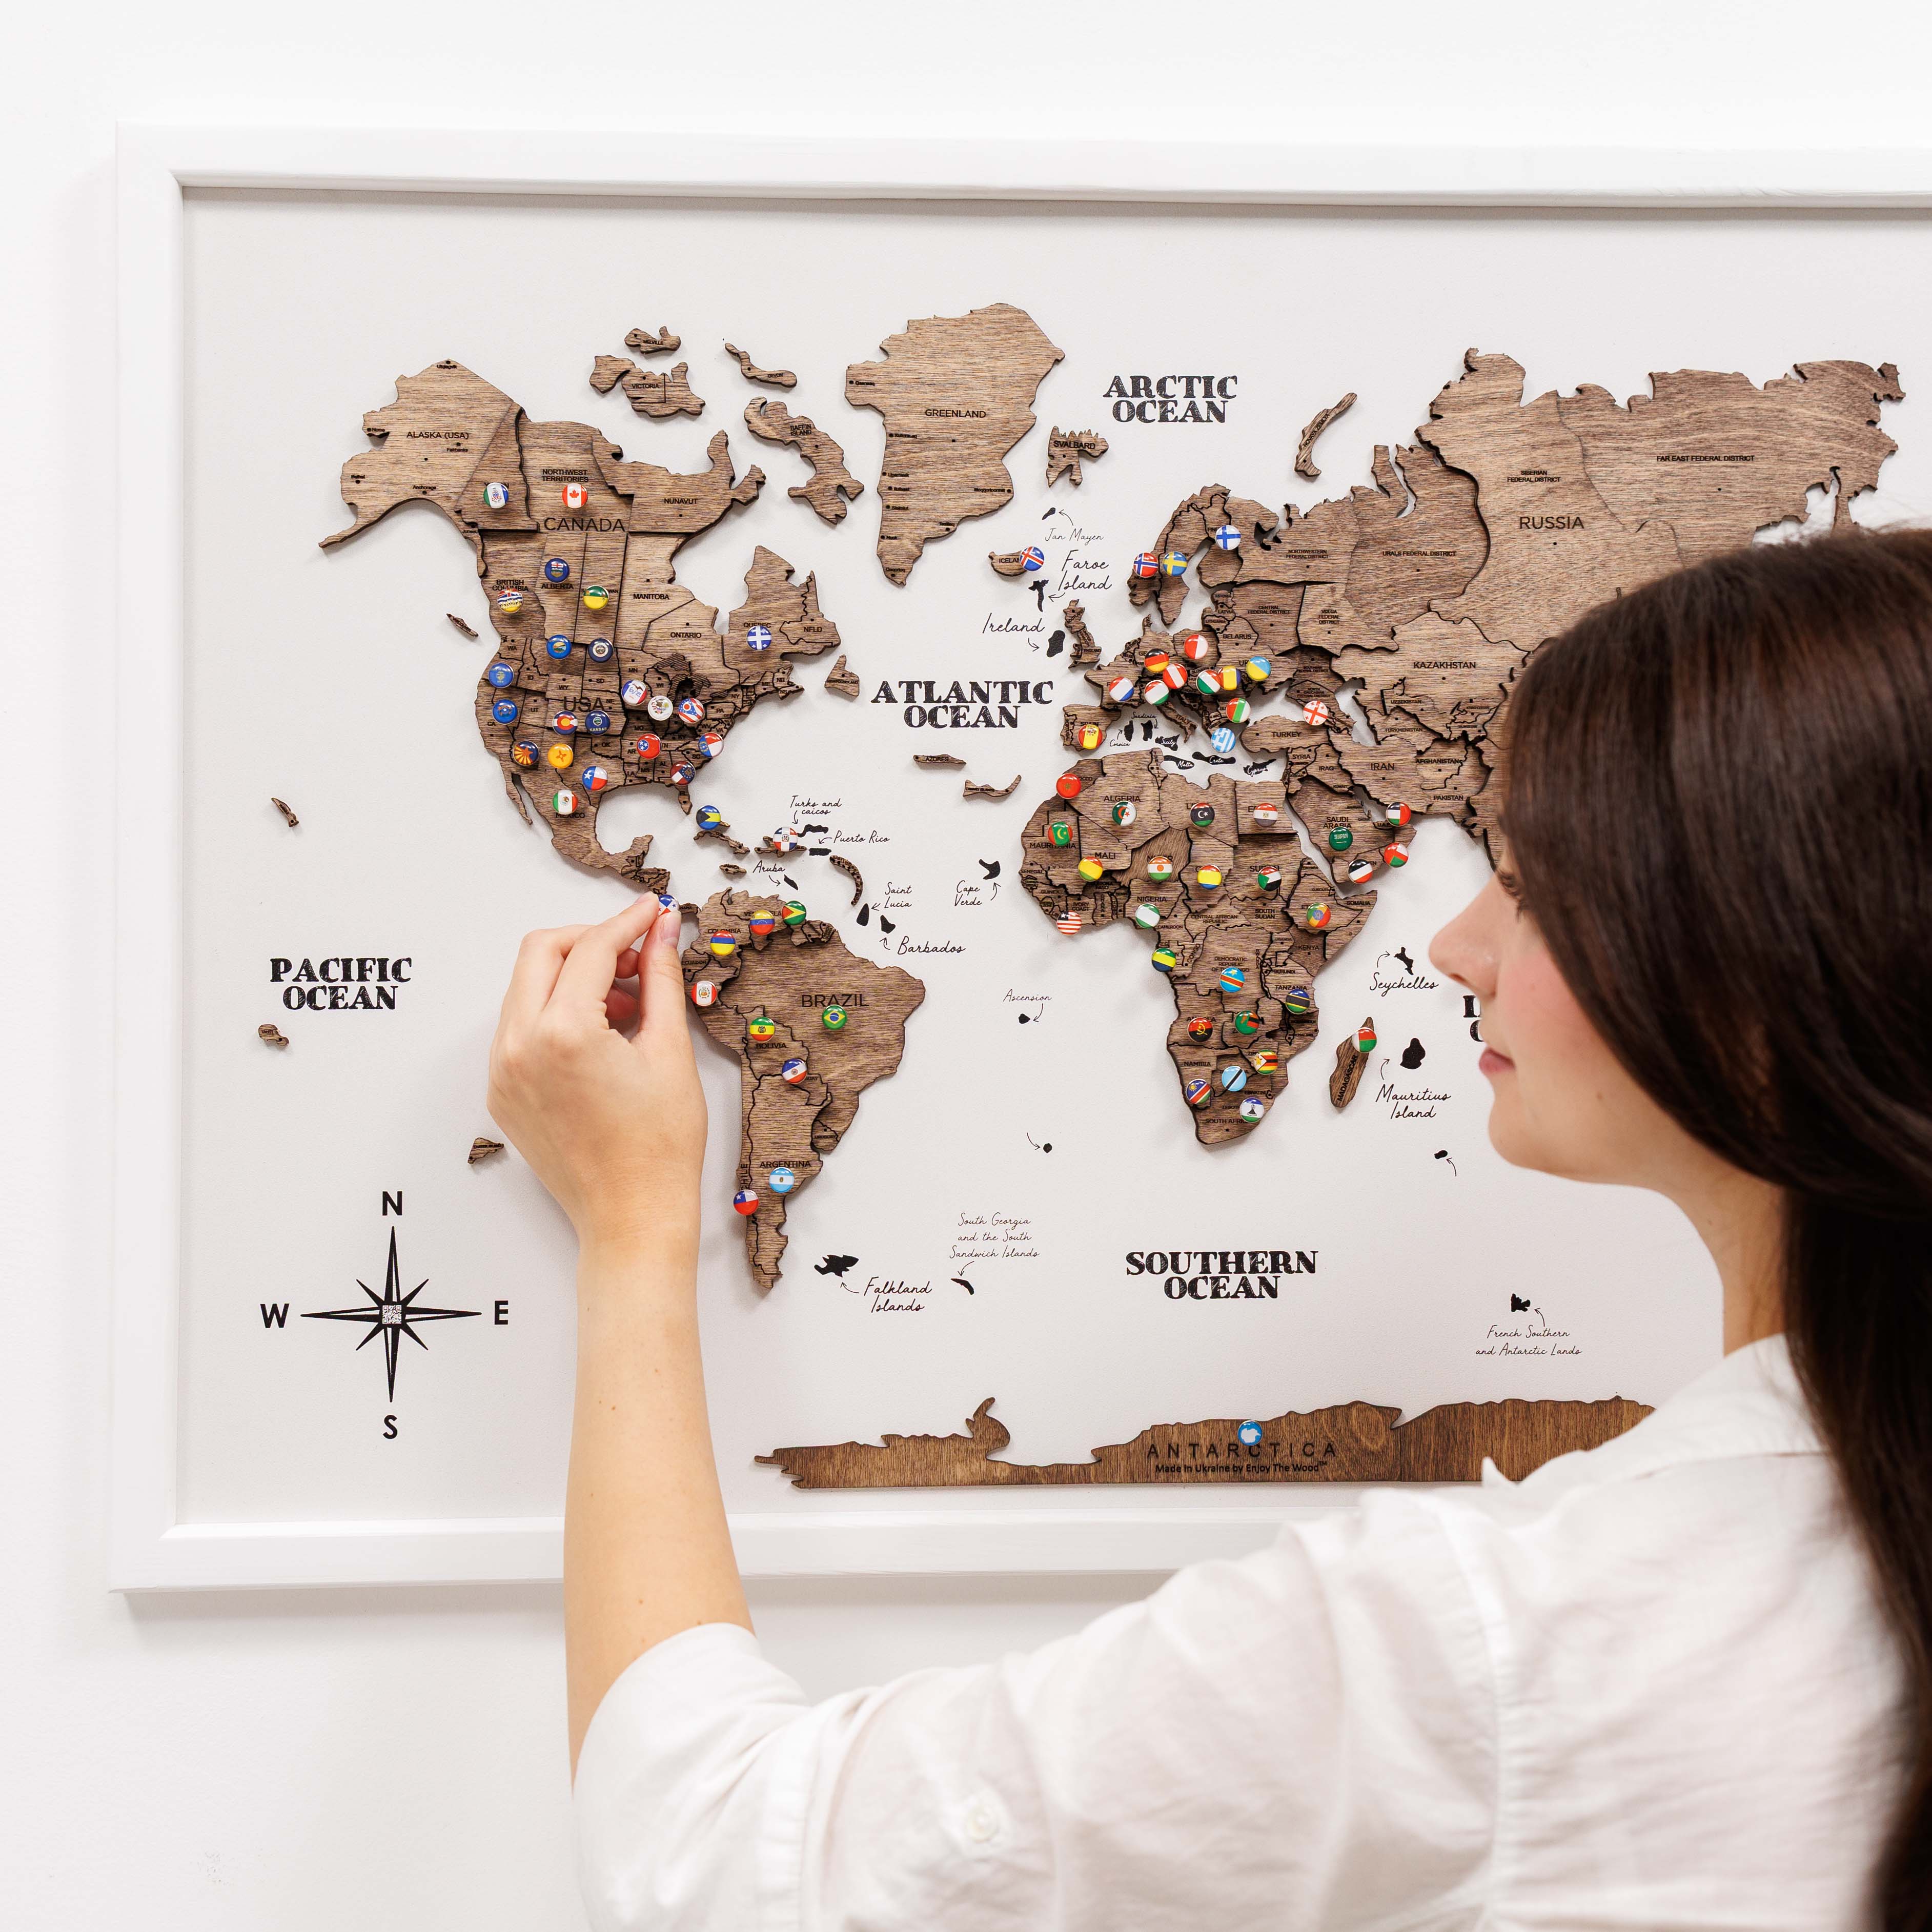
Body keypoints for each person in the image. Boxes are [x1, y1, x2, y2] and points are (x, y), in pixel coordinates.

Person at [487, 528, 1932, 1931]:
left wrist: (628, 1232)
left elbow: (715, 1862)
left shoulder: (1502, 1635)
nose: (1457, 943)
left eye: (1543, 884)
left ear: (1776, 988)